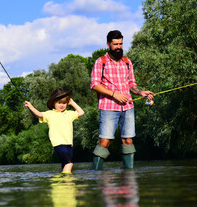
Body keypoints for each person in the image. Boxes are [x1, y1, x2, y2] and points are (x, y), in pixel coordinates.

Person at [90, 30, 154, 170]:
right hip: (108, 107)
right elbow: (94, 85)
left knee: (128, 140)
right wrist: (114, 94)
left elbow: (132, 84)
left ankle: (129, 174)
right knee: (105, 141)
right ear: (108, 44)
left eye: (120, 43)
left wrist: (141, 92)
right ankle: (95, 173)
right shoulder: (101, 62)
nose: (118, 47)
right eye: (115, 44)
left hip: (128, 108)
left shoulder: (127, 62)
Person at [24, 88, 84, 173]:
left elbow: (81, 112)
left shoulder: (70, 114)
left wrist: (72, 102)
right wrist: (30, 106)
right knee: (69, 163)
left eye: (64, 103)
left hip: (69, 144)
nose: (61, 105)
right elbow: (39, 114)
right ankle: (68, 182)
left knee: (65, 164)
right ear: (53, 103)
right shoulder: (50, 114)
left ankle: (62, 183)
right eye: (59, 102)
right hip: (58, 144)